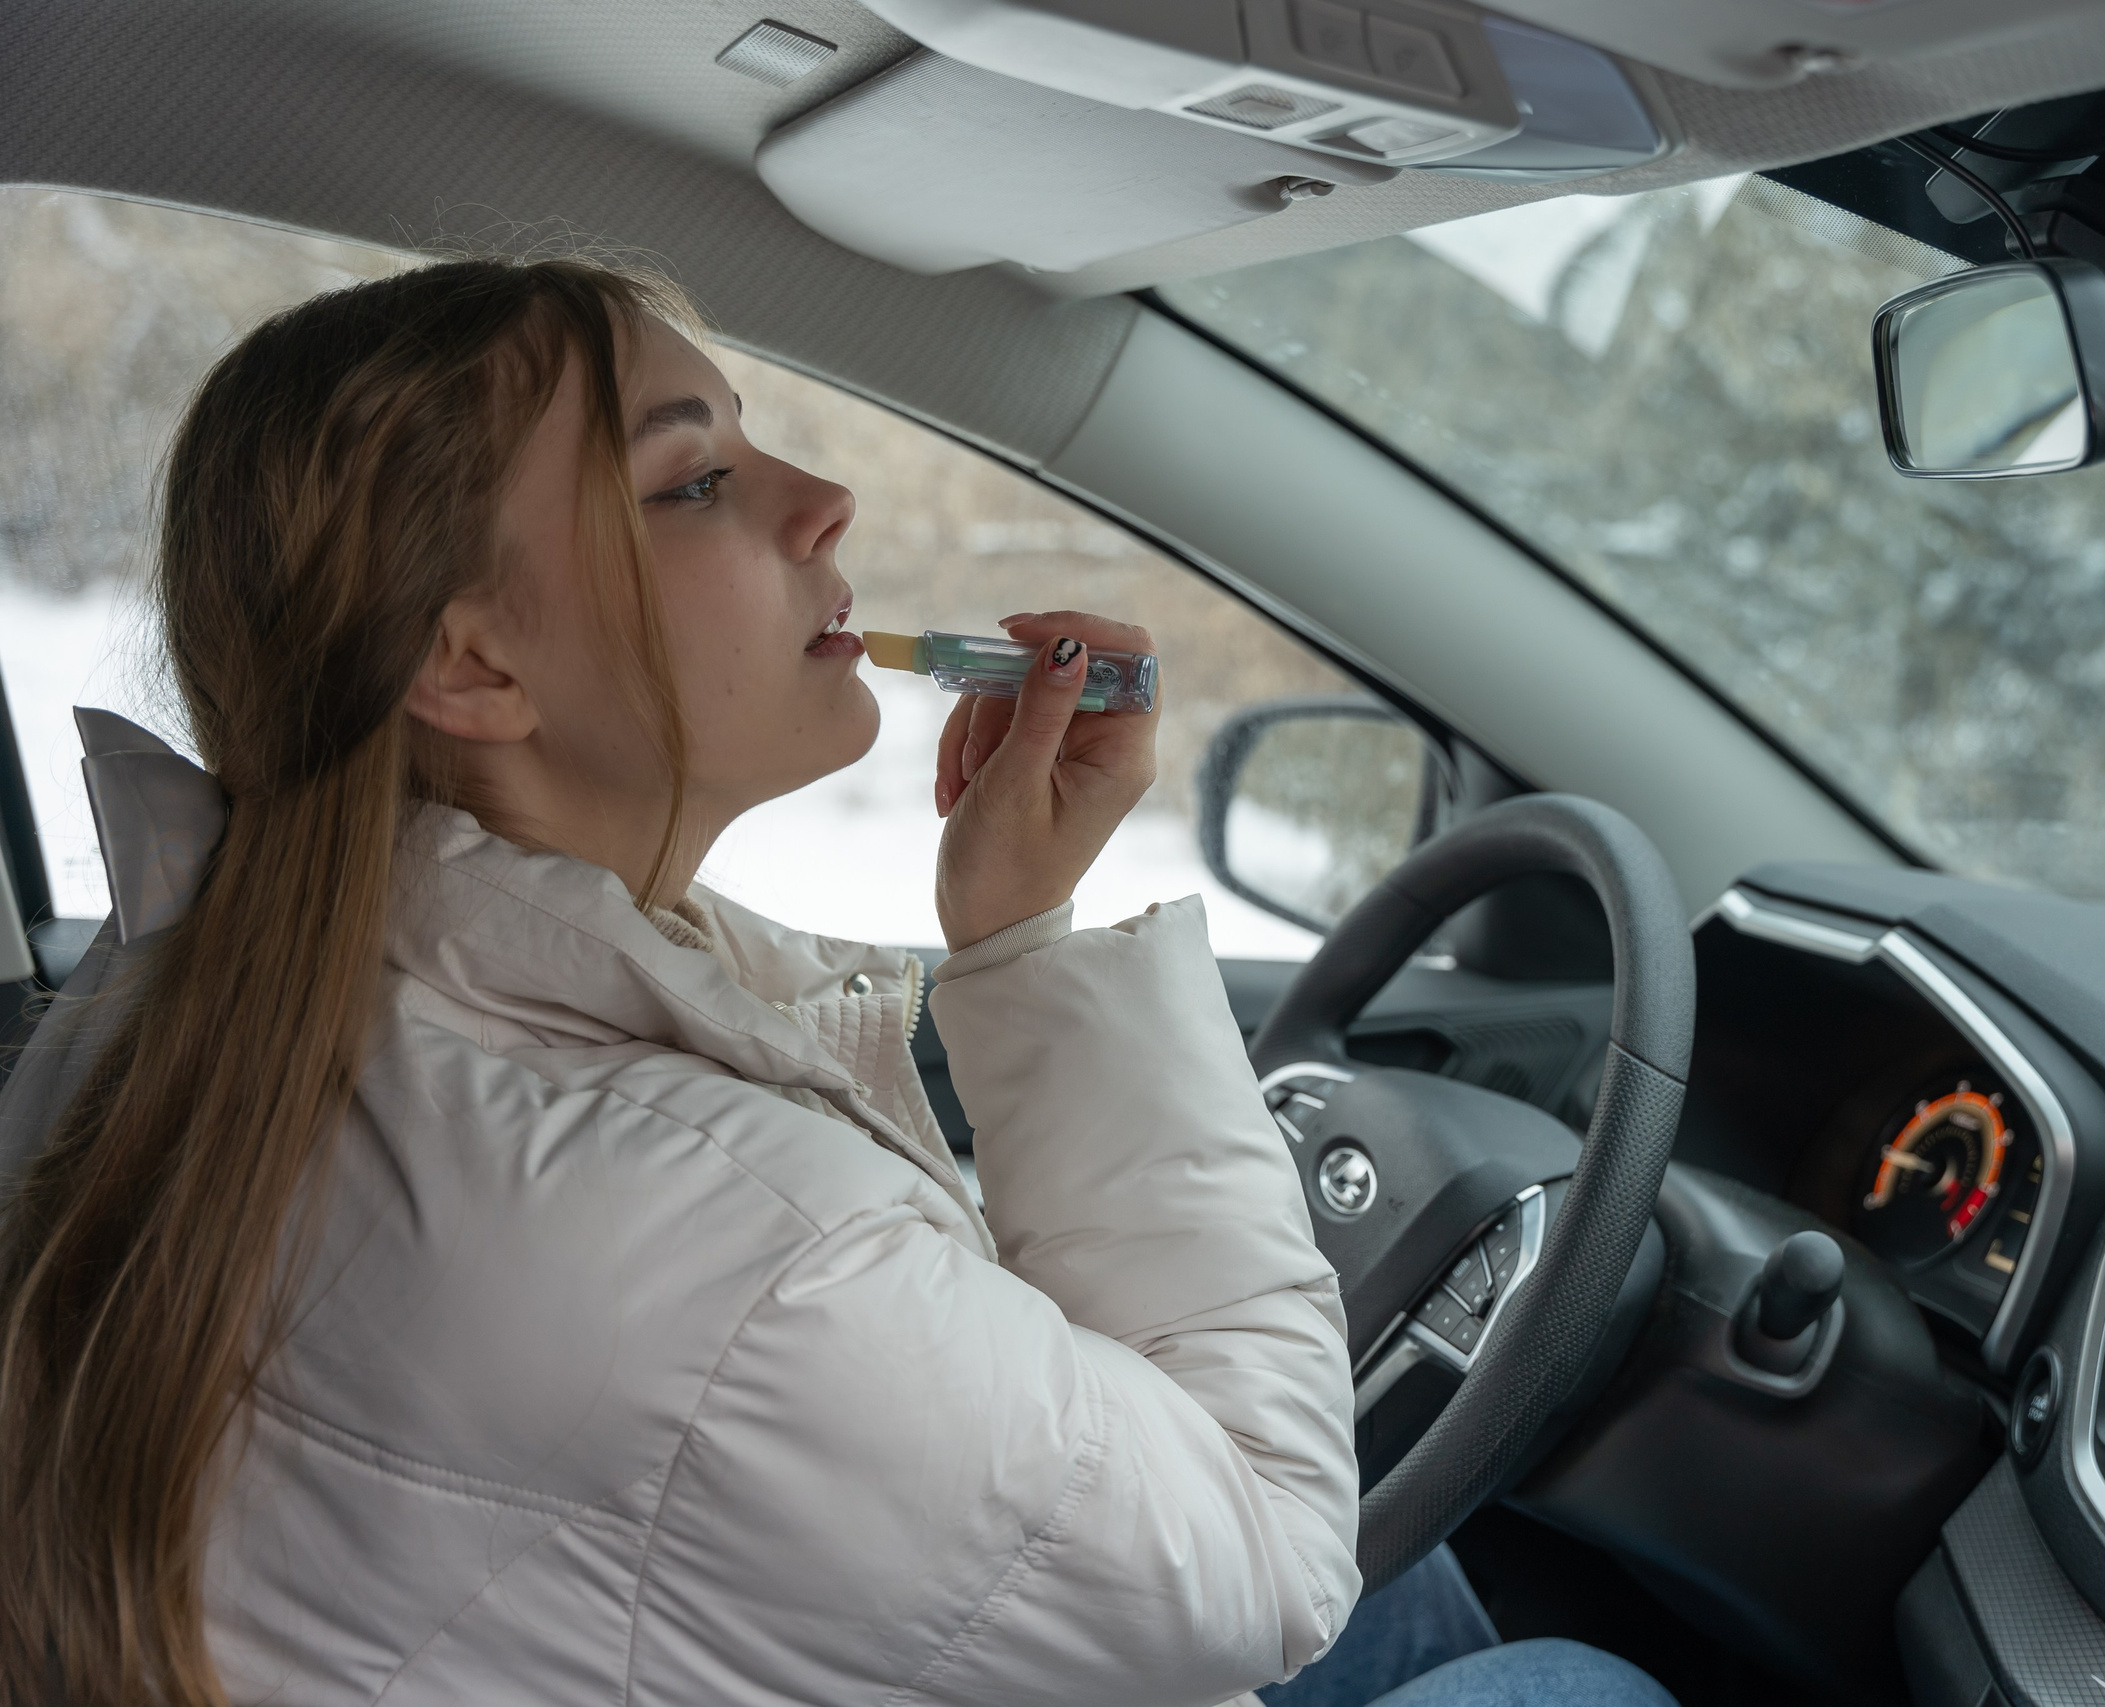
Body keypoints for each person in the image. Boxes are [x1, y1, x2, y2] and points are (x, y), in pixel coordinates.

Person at [0, 256, 1672, 1707]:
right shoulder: (727, 1261)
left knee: (1437, 1596)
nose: (824, 500)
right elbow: (1270, 1548)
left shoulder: (201, 996)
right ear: (471, 662)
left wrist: (1017, 923)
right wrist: (1017, 955)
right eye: (696, 483)